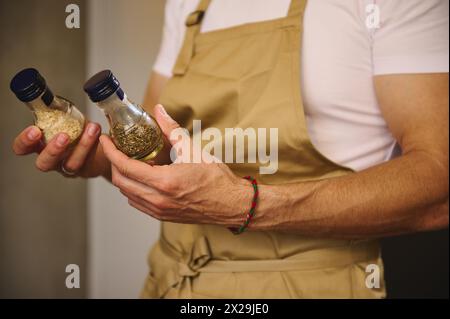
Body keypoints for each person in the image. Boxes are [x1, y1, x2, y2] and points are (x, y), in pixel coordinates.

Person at [12, 0, 448, 298]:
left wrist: (246, 204)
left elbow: (440, 181)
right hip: (176, 283)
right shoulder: (189, 5)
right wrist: (100, 157)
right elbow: (160, 156)